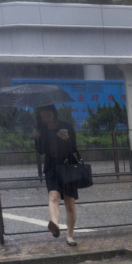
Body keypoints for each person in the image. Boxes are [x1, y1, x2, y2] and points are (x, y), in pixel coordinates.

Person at [33, 105, 79, 246]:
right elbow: (41, 151)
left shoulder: (66, 126)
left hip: (68, 166)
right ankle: (55, 225)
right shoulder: (41, 129)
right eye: (43, 117)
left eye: (48, 115)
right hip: (51, 168)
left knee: (69, 203)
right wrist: (37, 138)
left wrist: (66, 139)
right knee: (53, 197)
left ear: (54, 114)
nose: (46, 119)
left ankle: (70, 236)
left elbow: (74, 148)